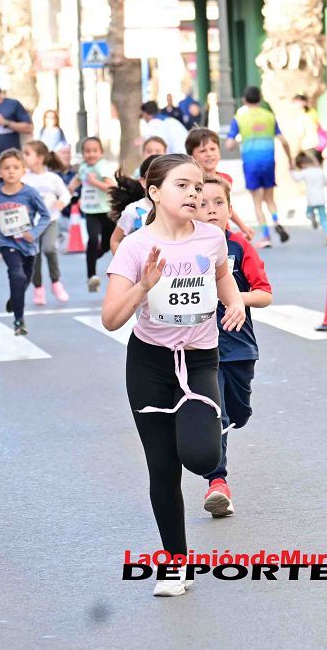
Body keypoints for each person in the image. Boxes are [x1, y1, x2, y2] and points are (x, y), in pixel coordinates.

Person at [101, 154, 246, 597]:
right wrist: (143, 286)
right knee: (162, 469)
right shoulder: (136, 247)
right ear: (155, 193)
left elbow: (222, 274)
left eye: (198, 187)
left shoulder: (211, 237)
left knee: (201, 457)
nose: (194, 194)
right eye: (183, 186)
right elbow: (110, 318)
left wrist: (235, 300)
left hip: (200, 360)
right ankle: (176, 566)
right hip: (149, 364)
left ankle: (202, 455)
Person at [195, 175, 272, 517]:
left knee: (237, 411)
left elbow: (265, 294)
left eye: (218, 203)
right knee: (217, 415)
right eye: (202, 203)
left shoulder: (240, 247)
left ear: (229, 208)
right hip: (201, 349)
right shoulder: (184, 247)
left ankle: (238, 413)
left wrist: (233, 298)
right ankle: (217, 482)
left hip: (240, 348)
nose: (211, 210)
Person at [0, 149, 51, 336]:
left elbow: (45, 216)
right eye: (6, 168)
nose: (11, 171)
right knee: (16, 276)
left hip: (29, 245)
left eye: (15, 167)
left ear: (23, 171)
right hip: (7, 242)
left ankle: (14, 299)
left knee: (24, 278)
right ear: (0, 172)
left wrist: (33, 233)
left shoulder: (30, 193)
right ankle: (19, 320)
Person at [225, 86, 294, 248]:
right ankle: (276, 221)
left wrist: (237, 140)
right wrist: (290, 160)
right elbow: (283, 141)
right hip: (269, 161)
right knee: (270, 198)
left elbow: (228, 144)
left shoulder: (240, 118)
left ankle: (266, 235)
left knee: (257, 201)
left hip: (251, 163)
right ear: (260, 99)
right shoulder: (269, 116)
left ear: (244, 100)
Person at [22, 140, 70, 304]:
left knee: (50, 249)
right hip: (32, 224)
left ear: (40, 158)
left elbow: (65, 194)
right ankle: (38, 289)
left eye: (28, 154)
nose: (24, 157)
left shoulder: (52, 178)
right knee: (35, 255)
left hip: (50, 220)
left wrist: (61, 203)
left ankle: (56, 283)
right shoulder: (25, 178)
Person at [185, 128, 254, 240]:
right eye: (203, 151)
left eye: (213, 149)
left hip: (222, 233)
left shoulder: (226, 179)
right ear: (192, 157)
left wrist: (243, 226)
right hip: (198, 234)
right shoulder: (190, 182)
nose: (209, 154)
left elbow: (226, 205)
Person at [68, 137, 115, 292]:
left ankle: (93, 257)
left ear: (100, 152)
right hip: (90, 211)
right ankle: (91, 276)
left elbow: (111, 187)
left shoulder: (103, 167)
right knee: (93, 240)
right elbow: (76, 180)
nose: (91, 154)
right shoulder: (83, 168)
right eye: (87, 151)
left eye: (95, 151)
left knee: (108, 243)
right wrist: (69, 189)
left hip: (106, 210)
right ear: (83, 153)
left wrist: (95, 183)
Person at [109, 154, 159, 254]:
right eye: (155, 177)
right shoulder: (133, 211)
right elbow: (115, 241)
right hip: (140, 268)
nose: (160, 182)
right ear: (143, 181)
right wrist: (123, 266)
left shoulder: (178, 208)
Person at [293, 151, 327, 244]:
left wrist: (291, 169)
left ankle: (313, 219)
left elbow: (296, 178)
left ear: (302, 164)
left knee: (308, 213)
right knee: (323, 219)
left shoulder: (305, 172)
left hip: (311, 200)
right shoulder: (319, 171)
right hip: (321, 200)